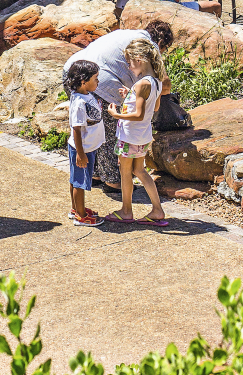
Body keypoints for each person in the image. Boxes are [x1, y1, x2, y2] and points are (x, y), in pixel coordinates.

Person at [63, 21, 173, 189]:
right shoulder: (148, 47)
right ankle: (113, 180)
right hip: (98, 83)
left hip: (72, 72)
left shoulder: (129, 34)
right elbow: (164, 83)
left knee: (92, 129)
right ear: (161, 44)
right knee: (109, 131)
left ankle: (95, 173)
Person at [106, 38, 168, 226]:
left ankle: (126, 211)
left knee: (126, 172)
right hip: (143, 136)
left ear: (139, 59)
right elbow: (154, 106)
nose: (128, 66)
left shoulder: (142, 84)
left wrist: (116, 115)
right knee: (139, 170)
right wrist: (130, 95)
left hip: (130, 135)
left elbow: (139, 114)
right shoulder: (156, 81)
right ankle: (157, 209)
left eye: (129, 61)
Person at [66, 58, 106, 226]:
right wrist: (81, 154)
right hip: (83, 149)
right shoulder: (79, 103)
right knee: (79, 182)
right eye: (95, 78)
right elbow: (76, 129)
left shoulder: (86, 95)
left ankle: (76, 208)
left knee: (77, 179)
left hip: (88, 146)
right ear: (83, 82)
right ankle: (81, 216)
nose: (98, 81)